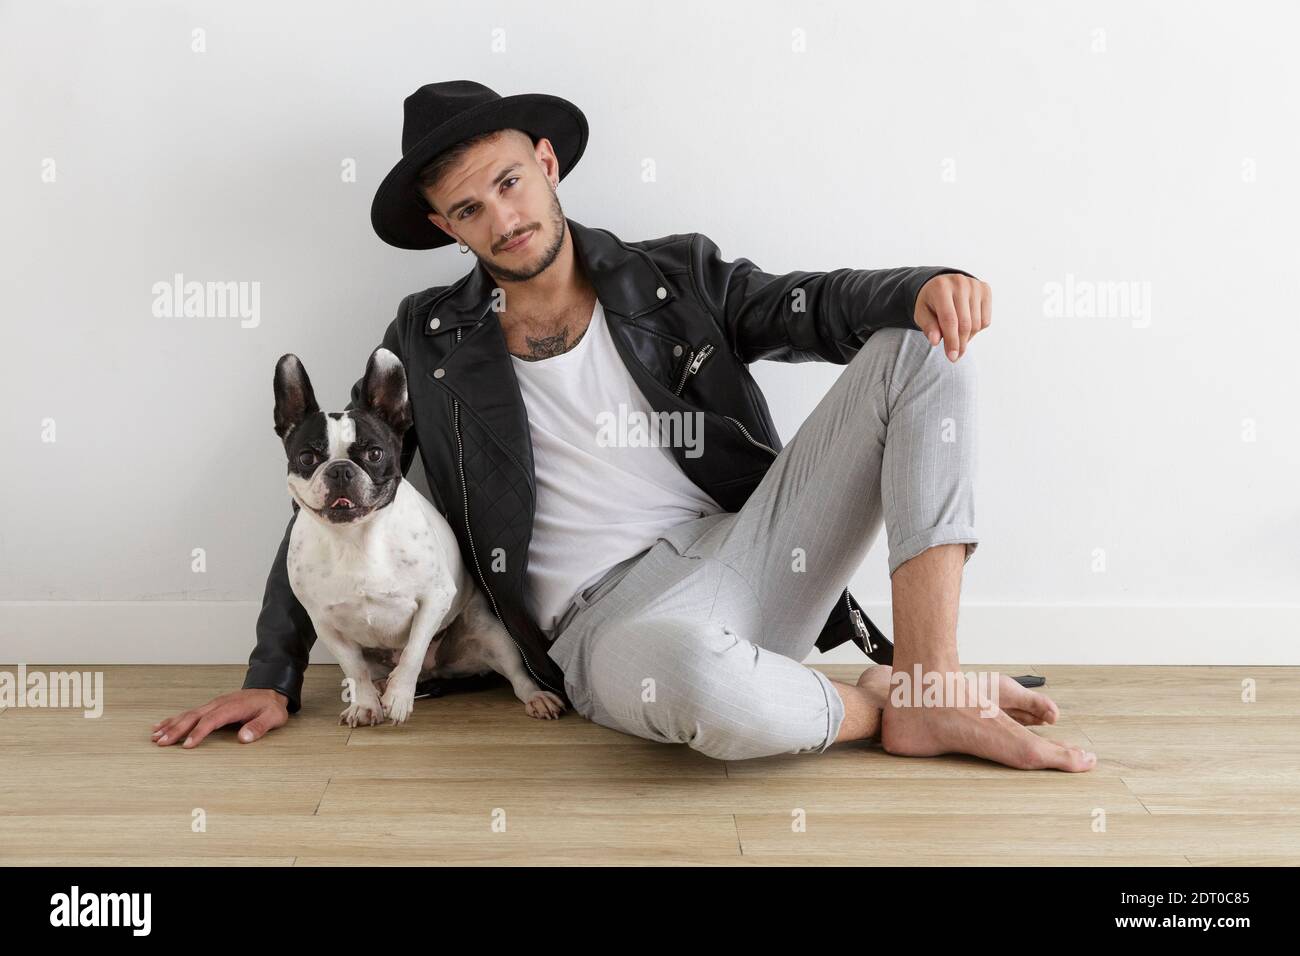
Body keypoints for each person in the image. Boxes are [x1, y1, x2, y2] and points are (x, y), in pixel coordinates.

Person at [153, 81, 1094, 772]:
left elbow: (808, 305)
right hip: (606, 624)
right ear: (448, 229)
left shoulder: (670, 275)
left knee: (920, 347)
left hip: (753, 549)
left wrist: (919, 287)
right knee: (702, 689)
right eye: (471, 209)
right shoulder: (427, 343)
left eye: (512, 183)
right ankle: (870, 704)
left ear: (548, 165)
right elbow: (338, 491)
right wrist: (274, 672)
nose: (505, 218)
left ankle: (929, 685)